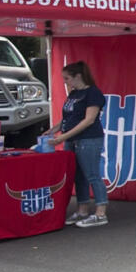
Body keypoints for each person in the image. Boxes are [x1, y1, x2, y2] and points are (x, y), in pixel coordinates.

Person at [44, 61, 108, 228]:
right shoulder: (73, 94)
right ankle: (83, 209)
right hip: (72, 139)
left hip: (88, 139)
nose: (65, 82)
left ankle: (101, 212)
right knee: (78, 176)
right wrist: (53, 130)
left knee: (92, 174)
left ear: (78, 76)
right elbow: (67, 118)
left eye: (67, 78)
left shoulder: (93, 93)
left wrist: (62, 137)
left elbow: (89, 120)